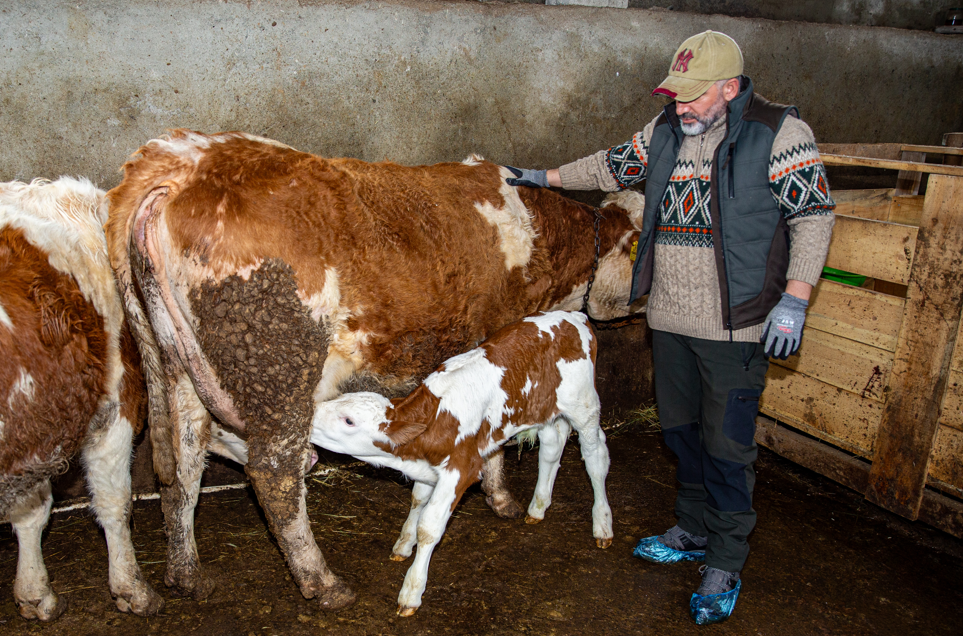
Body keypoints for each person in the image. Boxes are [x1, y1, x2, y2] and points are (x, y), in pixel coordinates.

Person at [505, 30, 835, 624]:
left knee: (727, 443)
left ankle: (727, 556)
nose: (680, 106)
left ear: (729, 89)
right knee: (681, 433)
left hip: (736, 325)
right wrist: (540, 176)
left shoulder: (778, 134)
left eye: (692, 96)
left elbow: (812, 215)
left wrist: (795, 299)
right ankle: (692, 528)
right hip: (669, 319)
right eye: (674, 95)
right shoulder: (664, 133)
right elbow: (609, 164)